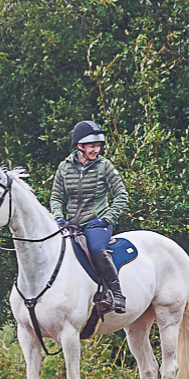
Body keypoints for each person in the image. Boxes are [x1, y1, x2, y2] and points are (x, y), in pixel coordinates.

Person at [51, 119, 130, 318]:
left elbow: (121, 194)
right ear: (80, 146)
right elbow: (56, 197)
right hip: (71, 224)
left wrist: (107, 218)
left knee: (96, 249)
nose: (97, 150)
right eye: (93, 146)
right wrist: (58, 217)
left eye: (98, 146)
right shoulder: (64, 167)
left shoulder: (105, 166)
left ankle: (116, 294)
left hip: (97, 223)